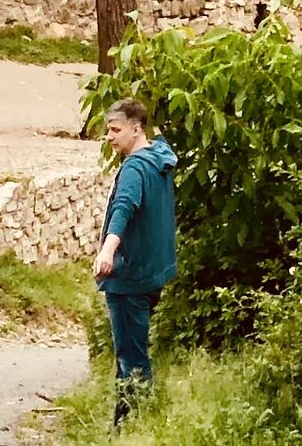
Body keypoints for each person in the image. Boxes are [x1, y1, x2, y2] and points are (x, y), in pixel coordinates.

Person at [92, 98, 178, 423]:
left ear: (136, 127)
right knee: (128, 354)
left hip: (129, 278)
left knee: (133, 361)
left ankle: (140, 425)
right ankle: (121, 425)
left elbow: (124, 208)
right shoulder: (160, 157)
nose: (110, 137)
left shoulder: (135, 167)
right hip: (153, 274)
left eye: (115, 130)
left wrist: (107, 250)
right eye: (107, 131)